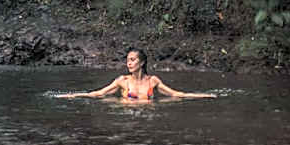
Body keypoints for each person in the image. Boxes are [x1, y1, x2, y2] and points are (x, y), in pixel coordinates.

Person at [57, 48, 216, 100]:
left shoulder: (153, 81)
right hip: (127, 119)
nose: (129, 63)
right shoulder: (122, 81)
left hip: (148, 119)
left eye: (133, 60)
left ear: (142, 63)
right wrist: (73, 95)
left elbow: (176, 94)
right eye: (128, 60)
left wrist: (203, 95)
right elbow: (98, 93)